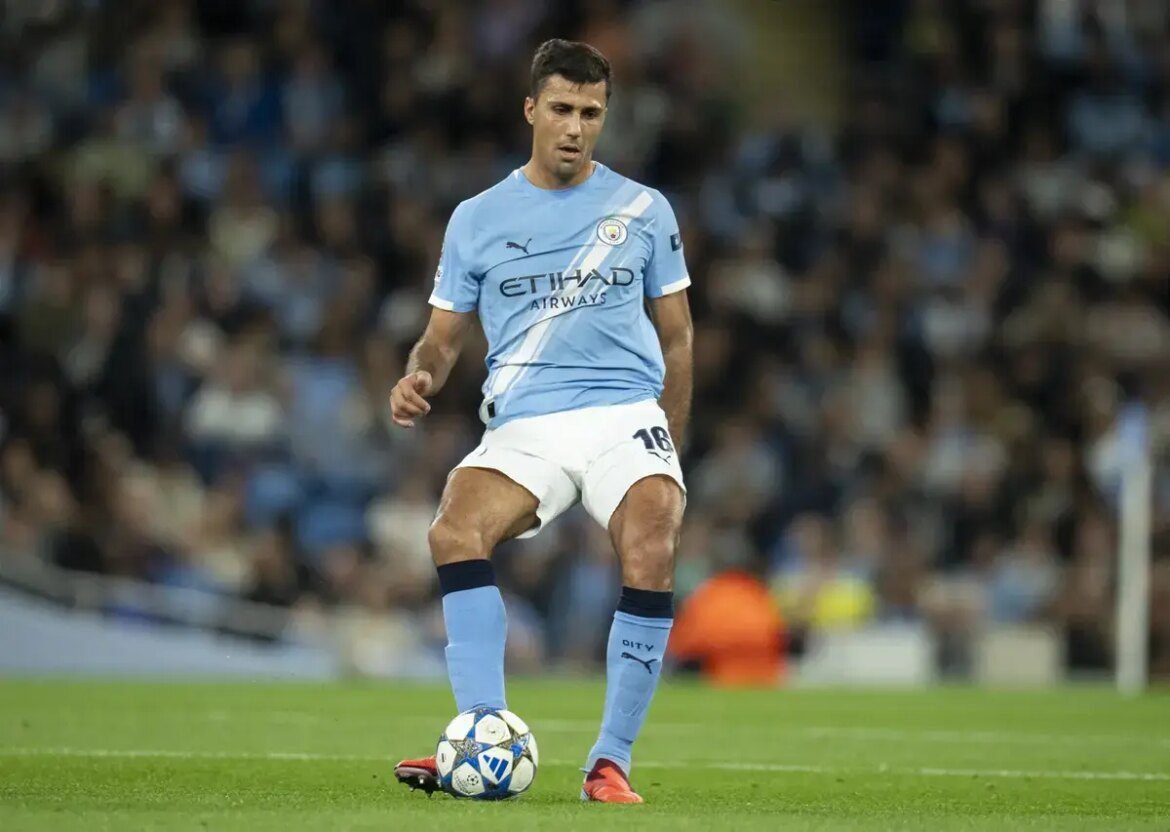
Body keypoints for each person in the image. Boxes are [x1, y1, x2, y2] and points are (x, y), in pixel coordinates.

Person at [391, 39, 692, 804]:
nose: (575, 127)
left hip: (624, 413)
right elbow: (442, 337)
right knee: (453, 531)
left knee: (652, 540)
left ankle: (609, 763)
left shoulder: (644, 210)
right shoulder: (477, 219)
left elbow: (679, 337)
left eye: (591, 113)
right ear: (531, 110)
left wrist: (670, 446)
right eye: (561, 109)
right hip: (526, 423)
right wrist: (422, 374)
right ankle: (479, 732)